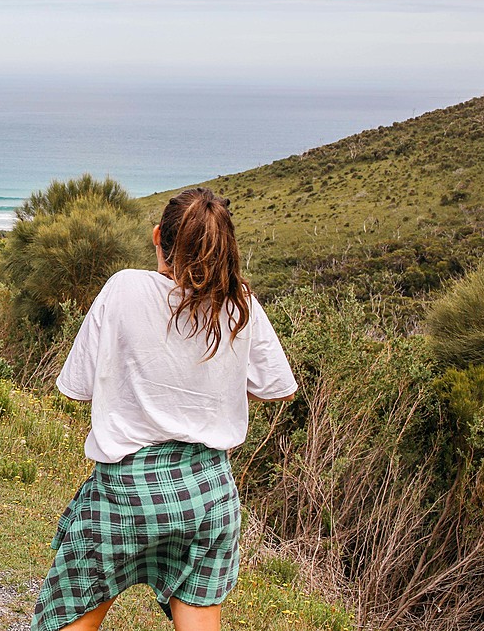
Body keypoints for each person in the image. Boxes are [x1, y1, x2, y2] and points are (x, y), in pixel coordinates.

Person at [31, 187, 298, 631]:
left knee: (72, 615)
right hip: (207, 492)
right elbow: (277, 387)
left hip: (126, 490)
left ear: (159, 237)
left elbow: (75, 388)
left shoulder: (124, 288)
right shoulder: (239, 303)